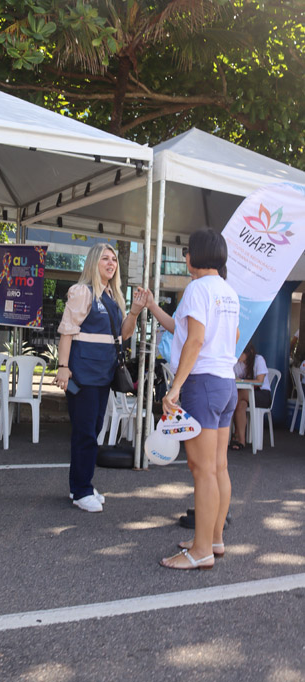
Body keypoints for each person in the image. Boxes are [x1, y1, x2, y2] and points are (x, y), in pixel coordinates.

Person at [145, 228, 239, 569]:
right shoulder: (227, 292)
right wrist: (154, 306)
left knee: (202, 471)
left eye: (187, 252)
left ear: (195, 256)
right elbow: (219, 334)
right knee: (217, 468)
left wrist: (174, 388)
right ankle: (213, 539)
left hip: (202, 384)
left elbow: (194, 341)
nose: (185, 258)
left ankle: (200, 552)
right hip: (226, 384)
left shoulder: (198, 288)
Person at [54, 243, 146, 513]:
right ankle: (82, 490)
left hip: (103, 375)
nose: (111, 263)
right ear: (94, 262)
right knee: (86, 433)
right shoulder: (83, 292)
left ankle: (80, 485)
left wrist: (135, 311)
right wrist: (62, 367)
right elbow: (67, 331)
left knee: (92, 430)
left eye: (114, 259)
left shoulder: (112, 295)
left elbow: (123, 335)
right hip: (83, 374)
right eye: (105, 258)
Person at [230, 342, 271, 450]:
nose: (237, 355)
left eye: (240, 353)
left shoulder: (258, 360)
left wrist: (242, 380)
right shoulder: (237, 363)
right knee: (241, 405)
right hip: (245, 397)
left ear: (248, 353)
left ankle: (235, 433)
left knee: (237, 396)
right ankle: (242, 441)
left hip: (262, 395)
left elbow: (259, 382)